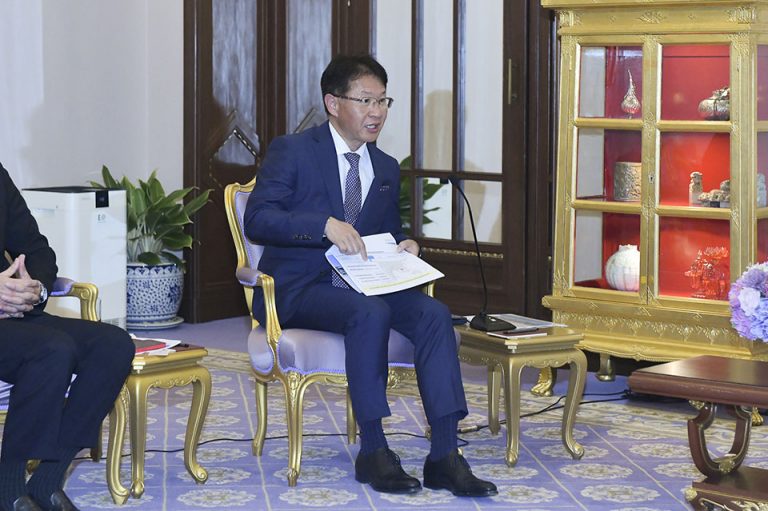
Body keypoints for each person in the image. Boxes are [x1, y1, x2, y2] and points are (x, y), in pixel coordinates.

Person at [244, 54, 497, 497]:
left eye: (383, 101)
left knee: (435, 315)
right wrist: (322, 225)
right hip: (300, 289)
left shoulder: (384, 166)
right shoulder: (294, 151)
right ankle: (374, 450)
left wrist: (406, 245)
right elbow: (259, 219)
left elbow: (385, 232)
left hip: (362, 282)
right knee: (369, 312)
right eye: (365, 100)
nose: (377, 111)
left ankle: (444, 454)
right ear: (333, 103)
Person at [0, 163, 135, 511]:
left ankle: (47, 480)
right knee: (52, 349)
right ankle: (8, 488)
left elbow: (37, 249)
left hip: (14, 315)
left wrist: (35, 289)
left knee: (113, 345)